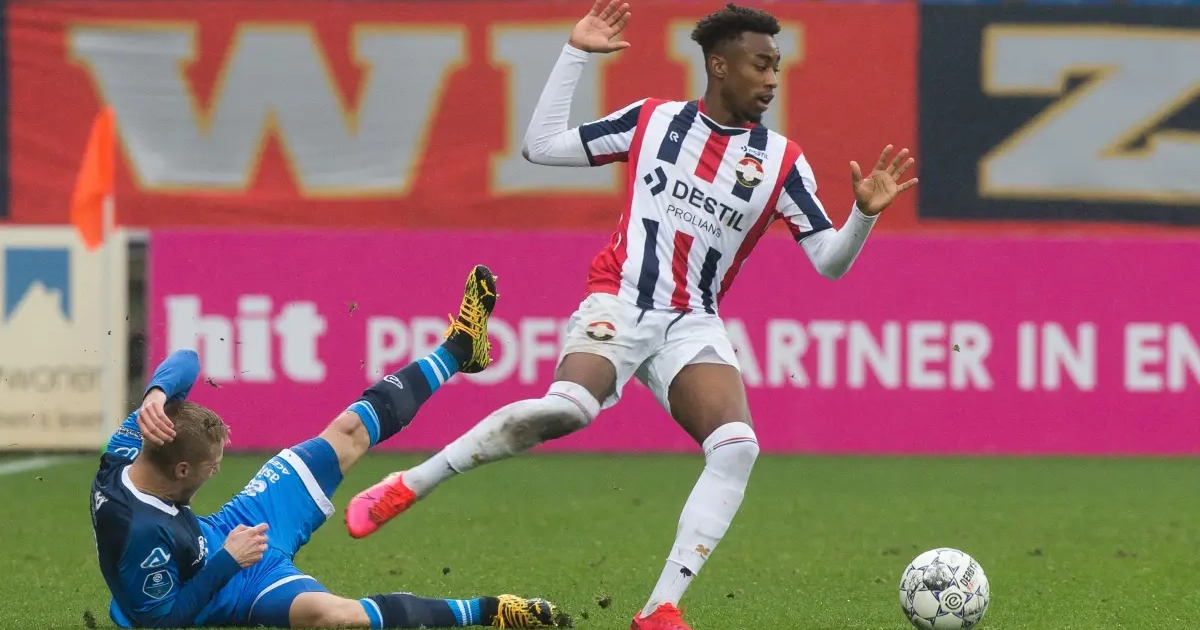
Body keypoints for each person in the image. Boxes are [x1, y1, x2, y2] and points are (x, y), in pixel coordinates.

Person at [345, 2, 917, 630]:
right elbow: (539, 147)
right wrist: (575, 54)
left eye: (776, 66)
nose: (772, 79)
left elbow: (829, 262)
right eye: (761, 65)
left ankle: (659, 609)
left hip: (691, 321)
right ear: (719, 66)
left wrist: (862, 216)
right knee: (569, 410)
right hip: (619, 301)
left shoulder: (782, 162)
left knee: (736, 447)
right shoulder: (654, 121)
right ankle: (411, 482)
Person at [90, 265, 561, 629]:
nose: (217, 471)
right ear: (180, 470)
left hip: (232, 528)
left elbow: (187, 359)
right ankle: (490, 611)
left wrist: (156, 394)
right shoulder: (139, 533)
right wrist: (229, 560)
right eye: (210, 466)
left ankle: (459, 348)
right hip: (227, 586)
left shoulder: (131, 446)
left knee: (348, 431)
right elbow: (164, 623)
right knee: (337, 617)